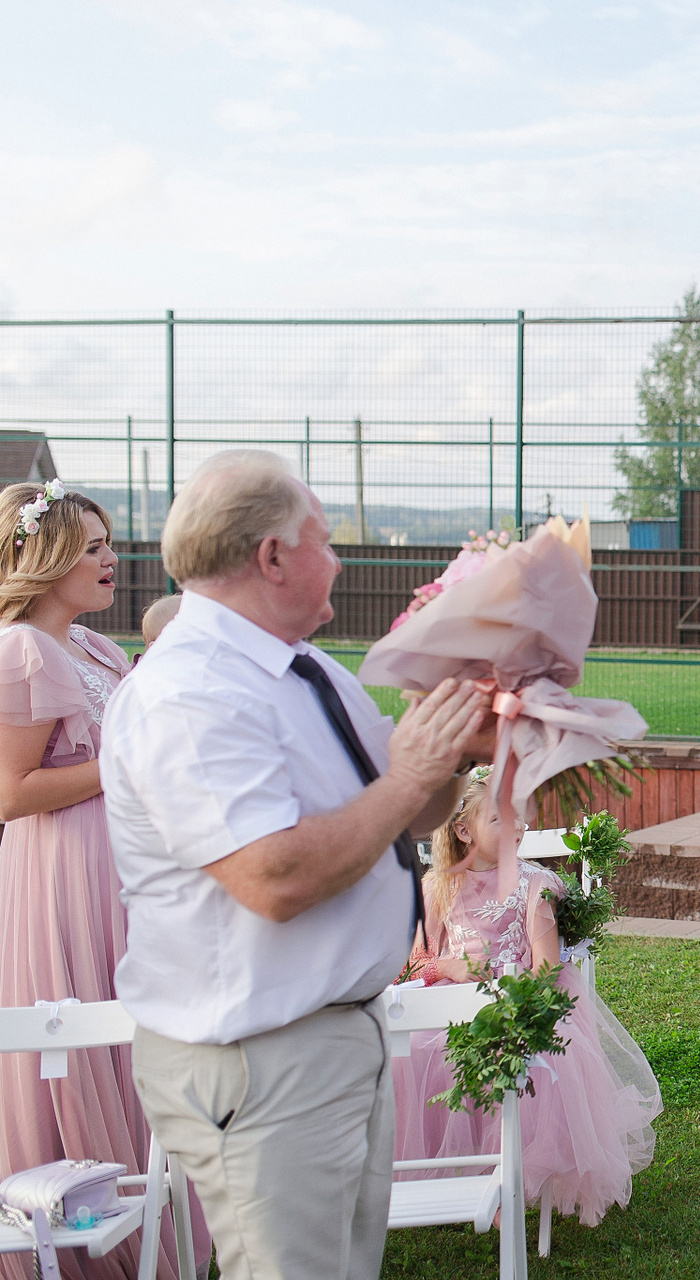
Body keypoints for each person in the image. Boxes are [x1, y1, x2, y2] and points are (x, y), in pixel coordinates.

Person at [103, 450, 491, 1280]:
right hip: (262, 1059)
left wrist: (456, 747)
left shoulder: (305, 671)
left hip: (334, 1039)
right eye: (324, 539)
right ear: (272, 556)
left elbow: (406, 814)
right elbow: (272, 878)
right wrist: (410, 775)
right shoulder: (190, 692)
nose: (339, 560)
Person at [0, 483, 200, 1280]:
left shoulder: (97, 648)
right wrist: (122, 764)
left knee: (140, 1028)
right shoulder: (22, 651)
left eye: (109, 542)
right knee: (83, 1021)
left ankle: (149, 1210)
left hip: (126, 866)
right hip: (64, 871)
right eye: (92, 547)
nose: (112, 558)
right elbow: (12, 793)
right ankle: (78, 1221)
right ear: (47, 561)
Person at [390, 771, 661, 1222]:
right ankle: (448, 1174)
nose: (517, 826)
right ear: (463, 830)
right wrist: (450, 967)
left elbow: (546, 966)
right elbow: (416, 962)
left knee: (522, 1055)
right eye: (500, 818)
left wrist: (510, 1005)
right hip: (455, 1001)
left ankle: (506, 1180)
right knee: (417, 1049)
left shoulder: (534, 884)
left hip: (523, 999)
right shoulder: (438, 886)